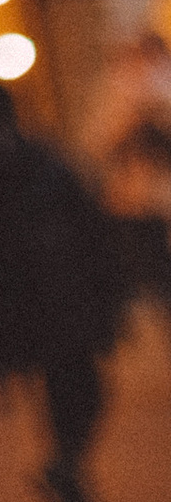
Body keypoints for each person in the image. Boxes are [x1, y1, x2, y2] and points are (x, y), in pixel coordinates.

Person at [0, 74, 122, 502]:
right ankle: (66, 469)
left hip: (16, 309)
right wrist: (109, 297)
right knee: (88, 393)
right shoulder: (47, 155)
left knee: (55, 401)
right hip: (64, 295)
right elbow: (92, 224)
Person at [81, 22, 171, 329]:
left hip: (162, 201)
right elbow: (95, 146)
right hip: (136, 207)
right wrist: (128, 119)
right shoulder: (115, 97)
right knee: (157, 291)